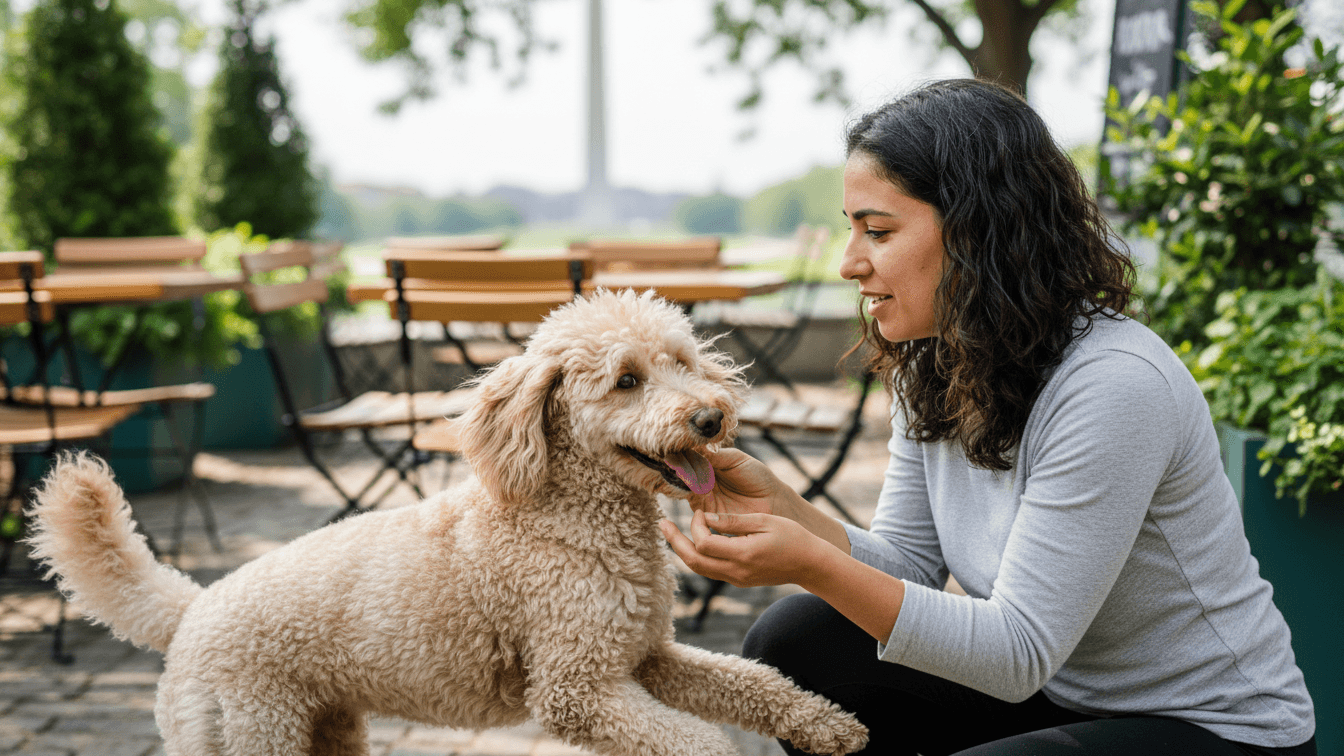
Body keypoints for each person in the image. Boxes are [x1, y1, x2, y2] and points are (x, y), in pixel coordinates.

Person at [659, 79, 1317, 756]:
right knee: (796, 638)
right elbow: (909, 567)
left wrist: (814, 563)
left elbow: (1015, 651)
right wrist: (791, 512)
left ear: (977, 231)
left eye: (877, 231)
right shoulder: (937, 360)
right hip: (1060, 690)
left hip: (1212, 728)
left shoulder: (1113, 383)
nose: (849, 262)